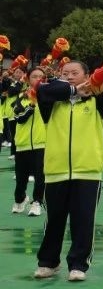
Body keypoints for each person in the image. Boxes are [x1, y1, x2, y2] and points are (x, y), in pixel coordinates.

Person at [34, 59, 103, 281]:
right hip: (56, 169)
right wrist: (74, 89)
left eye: (75, 73)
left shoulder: (97, 102)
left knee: (83, 219)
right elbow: (44, 89)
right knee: (54, 218)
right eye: (65, 73)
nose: (69, 75)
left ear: (87, 76)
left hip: (87, 170)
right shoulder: (51, 100)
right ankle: (48, 262)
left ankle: (78, 264)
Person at [11, 67, 47, 216]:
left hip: (42, 143)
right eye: (34, 76)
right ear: (27, 79)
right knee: (21, 179)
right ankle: (21, 199)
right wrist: (32, 104)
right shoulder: (21, 97)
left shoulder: (48, 97)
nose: (38, 79)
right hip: (23, 144)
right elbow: (19, 118)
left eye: (41, 77)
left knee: (40, 176)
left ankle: (37, 202)